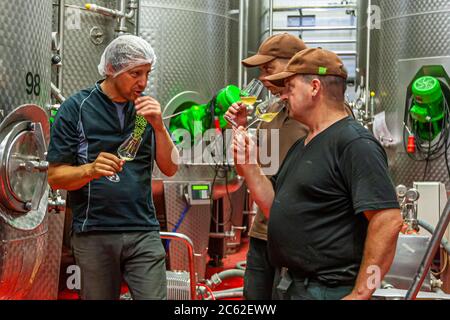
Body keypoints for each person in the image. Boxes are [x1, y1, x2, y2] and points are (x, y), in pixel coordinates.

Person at [232, 48, 403, 300]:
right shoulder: (305, 143)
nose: (283, 95)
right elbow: (273, 205)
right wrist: (248, 164)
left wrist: (362, 292)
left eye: (290, 87)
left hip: (327, 289)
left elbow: (388, 220)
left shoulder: (354, 143)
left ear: (314, 87)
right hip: (294, 284)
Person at [47, 35, 179, 300]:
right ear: (111, 69)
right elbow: (54, 177)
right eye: (135, 73)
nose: (143, 82)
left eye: (147, 73)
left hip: (143, 229)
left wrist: (159, 126)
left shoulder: (144, 110)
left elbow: (170, 167)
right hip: (95, 231)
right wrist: (90, 170)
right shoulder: (77, 108)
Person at [224, 33, 308, 300]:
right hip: (263, 233)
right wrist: (238, 129)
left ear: (294, 64)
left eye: (268, 68)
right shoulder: (270, 110)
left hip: (302, 234)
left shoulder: (320, 113)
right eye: (260, 70)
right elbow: (247, 170)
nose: (262, 78)